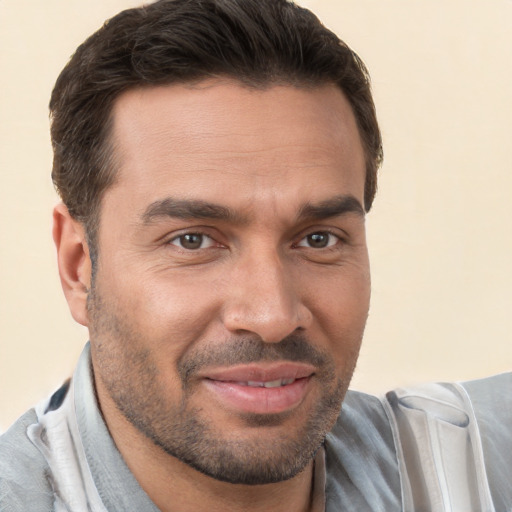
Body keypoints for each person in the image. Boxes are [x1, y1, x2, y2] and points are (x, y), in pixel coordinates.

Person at [0, 0, 510, 511]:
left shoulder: (478, 467)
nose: (273, 316)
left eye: (318, 239)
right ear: (77, 266)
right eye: (193, 241)